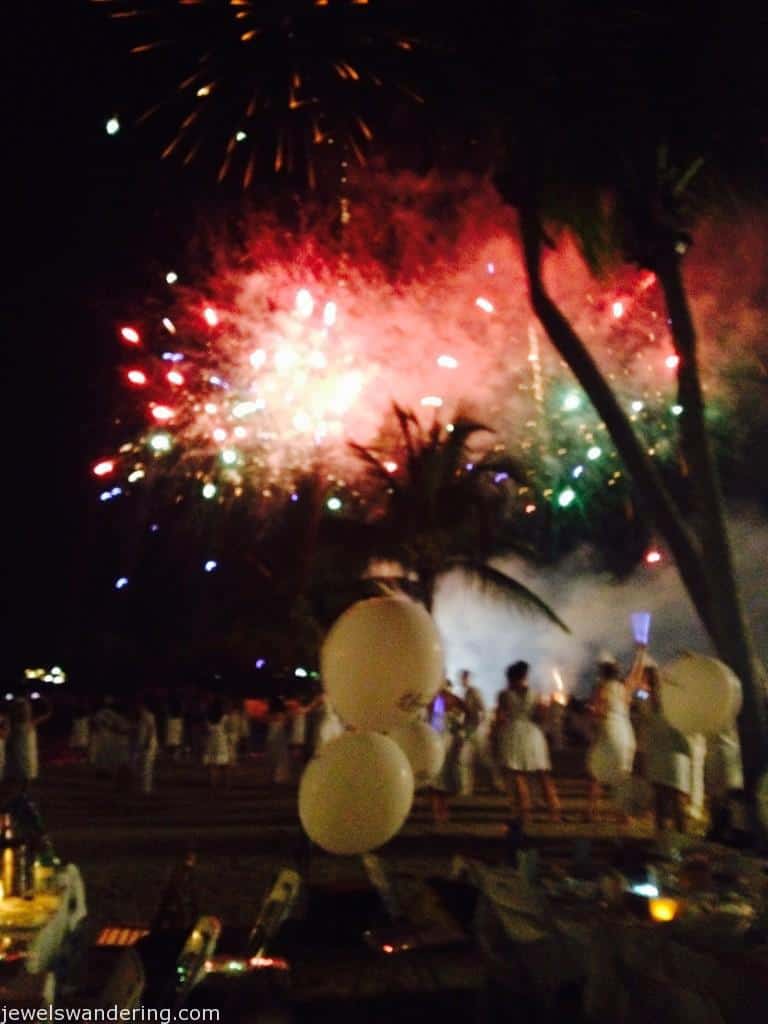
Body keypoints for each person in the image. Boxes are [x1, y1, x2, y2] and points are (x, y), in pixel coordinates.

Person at [496, 662, 560, 824]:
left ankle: (525, 813)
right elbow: (541, 717)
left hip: (514, 734)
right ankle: (554, 811)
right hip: (533, 734)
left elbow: (500, 718)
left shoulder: (504, 695)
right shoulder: (535, 694)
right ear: (525, 676)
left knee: (518, 775)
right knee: (543, 774)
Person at [586, 655, 637, 822]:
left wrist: (592, 716)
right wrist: (640, 654)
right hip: (625, 731)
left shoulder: (601, 688)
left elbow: (598, 711)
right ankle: (623, 815)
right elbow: (636, 674)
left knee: (597, 770)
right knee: (622, 773)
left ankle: (592, 811)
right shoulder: (625, 688)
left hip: (610, 729)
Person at [643, 666, 690, 833]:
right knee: (678, 804)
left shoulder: (648, 702)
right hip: (675, 755)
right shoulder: (674, 701)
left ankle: (663, 843)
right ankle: (681, 841)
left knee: (660, 803)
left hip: (658, 754)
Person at [427, 682, 466, 824]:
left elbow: (434, 723)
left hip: (437, 741)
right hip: (448, 741)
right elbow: (470, 715)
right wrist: (462, 732)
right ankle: (443, 812)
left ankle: (438, 814)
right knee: (443, 779)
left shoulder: (434, 700)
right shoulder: (452, 699)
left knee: (436, 780)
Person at [6, 696, 52, 789]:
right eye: (24, 709)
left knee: (25, 770)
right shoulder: (18, 724)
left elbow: (47, 714)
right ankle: (20, 791)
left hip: (27, 752)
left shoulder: (25, 724)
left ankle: (22, 791)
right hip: (21, 752)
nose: (27, 711)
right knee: (22, 769)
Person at [458, 669, 486, 795]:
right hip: (471, 729)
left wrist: (476, 725)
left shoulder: (473, 692)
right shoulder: (467, 693)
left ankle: (496, 782)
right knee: (466, 758)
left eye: (464, 678)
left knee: (478, 758)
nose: (462, 680)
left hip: (474, 729)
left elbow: (481, 709)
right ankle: (466, 787)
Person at [132, 696, 159, 795]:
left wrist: (147, 742)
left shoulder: (148, 716)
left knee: (147, 766)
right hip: (142, 744)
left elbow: (151, 730)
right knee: (141, 766)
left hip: (148, 744)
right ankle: (142, 787)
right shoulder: (140, 717)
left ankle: (146, 788)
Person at [202, 700, 231, 788]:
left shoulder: (208, 719)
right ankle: (226, 783)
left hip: (211, 741)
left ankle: (213, 783)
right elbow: (228, 730)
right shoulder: (225, 718)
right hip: (221, 741)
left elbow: (205, 730)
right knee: (224, 764)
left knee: (212, 763)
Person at [265, 696, 292, 784]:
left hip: (272, 731)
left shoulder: (271, 713)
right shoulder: (282, 713)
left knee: (273, 754)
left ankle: (273, 776)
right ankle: (279, 776)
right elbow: (286, 720)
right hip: (280, 732)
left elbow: (268, 719)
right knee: (281, 754)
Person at [165, 695, 184, 762]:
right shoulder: (172, 717)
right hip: (173, 722)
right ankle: (172, 757)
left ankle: (173, 757)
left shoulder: (176, 717)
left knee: (174, 742)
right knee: (173, 742)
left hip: (174, 722)